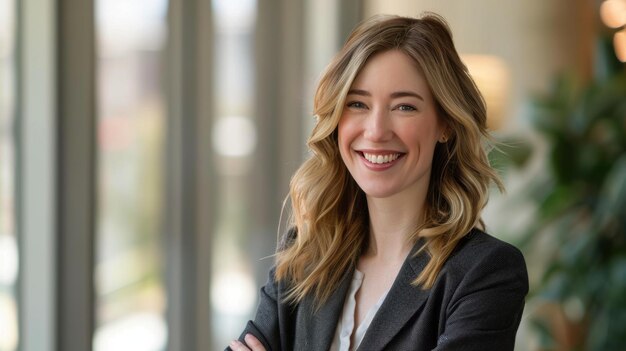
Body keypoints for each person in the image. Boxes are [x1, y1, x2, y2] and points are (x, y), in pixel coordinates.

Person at [227, 13, 528, 351]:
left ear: (445, 124)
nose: (376, 131)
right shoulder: (306, 255)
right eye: (357, 104)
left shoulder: (484, 273)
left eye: (404, 107)